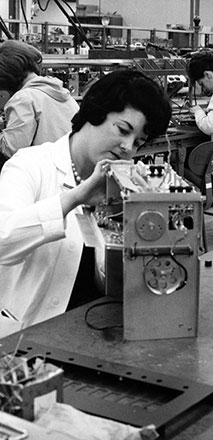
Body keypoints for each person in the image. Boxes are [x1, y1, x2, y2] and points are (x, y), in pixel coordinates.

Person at [0, 70, 172, 337]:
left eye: (139, 142)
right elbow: (3, 239)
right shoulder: (30, 165)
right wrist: (75, 198)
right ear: (95, 112)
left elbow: (117, 282)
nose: (128, 147)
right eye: (123, 129)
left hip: (93, 334)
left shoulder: (119, 185)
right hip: (31, 335)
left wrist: (144, 216)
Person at [0, 40, 79, 168]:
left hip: (44, 174)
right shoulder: (62, 93)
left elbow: (12, 149)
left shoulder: (23, 98)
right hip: (68, 170)